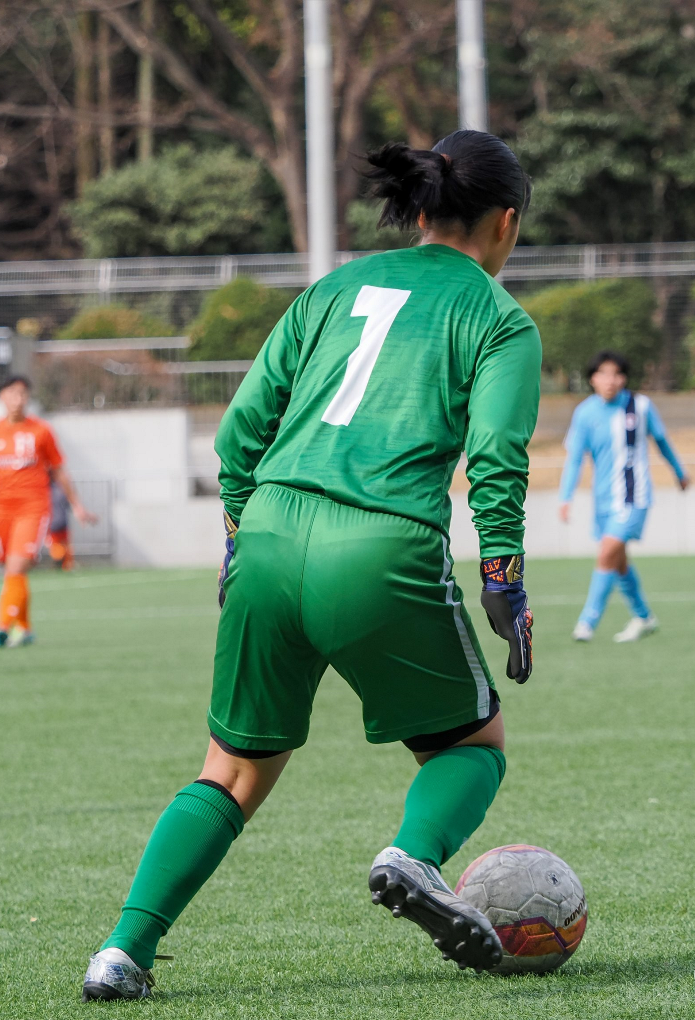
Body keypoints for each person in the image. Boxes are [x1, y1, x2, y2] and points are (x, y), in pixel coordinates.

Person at [81, 130, 540, 1001]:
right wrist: (504, 582)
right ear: (507, 222)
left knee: (232, 770)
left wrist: (238, 540)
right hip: (381, 548)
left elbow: (239, 434)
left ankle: (121, 953)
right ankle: (414, 857)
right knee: (471, 743)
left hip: (267, 535)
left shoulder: (333, 288)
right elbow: (495, 458)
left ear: (420, 205)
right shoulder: (499, 319)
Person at [0, 375, 95, 648]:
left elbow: (60, 471)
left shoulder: (41, 431)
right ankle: (25, 628)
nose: (18, 399)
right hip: (2, 511)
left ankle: (3, 625)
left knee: (16, 567)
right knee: (12, 569)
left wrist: (77, 505)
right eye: (12, 393)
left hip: (33, 509)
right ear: (1, 397)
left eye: (23, 394)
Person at [558, 350, 689, 643]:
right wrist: (565, 497)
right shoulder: (584, 413)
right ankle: (644, 617)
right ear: (592, 378)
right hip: (603, 501)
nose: (610, 380)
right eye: (603, 374)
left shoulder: (640, 406)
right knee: (618, 562)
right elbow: (575, 459)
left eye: (617, 374)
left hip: (634, 497)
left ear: (624, 378)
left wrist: (680, 472)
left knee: (607, 553)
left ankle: (587, 622)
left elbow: (662, 441)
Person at [45, 481, 76, 571]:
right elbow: (67, 504)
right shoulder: (61, 490)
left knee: (56, 544)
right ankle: (66, 563)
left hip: (52, 522)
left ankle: (61, 560)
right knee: (64, 543)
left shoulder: (46, 491)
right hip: (62, 520)